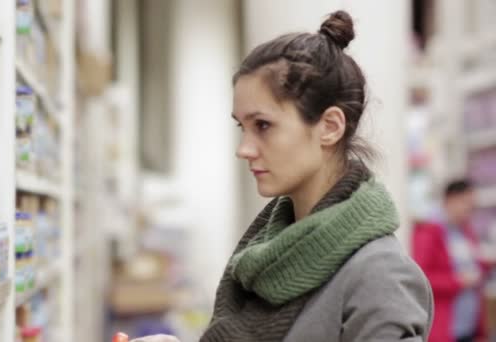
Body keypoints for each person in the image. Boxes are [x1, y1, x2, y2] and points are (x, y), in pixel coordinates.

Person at [133, 10, 433, 342]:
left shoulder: (379, 276)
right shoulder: (266, 259)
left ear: (330, 127)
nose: (244, 148)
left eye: (263, 125)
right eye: (242, 127)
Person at [413, 179, 485, 342]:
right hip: (445, 328)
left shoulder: (467, 232)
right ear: (449, 199)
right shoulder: (429, 231)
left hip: (469, 326)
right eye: (465, 202)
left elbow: (474, 266)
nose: (470, 209)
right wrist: (457, 281)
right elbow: (421, 278)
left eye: (472, 204)